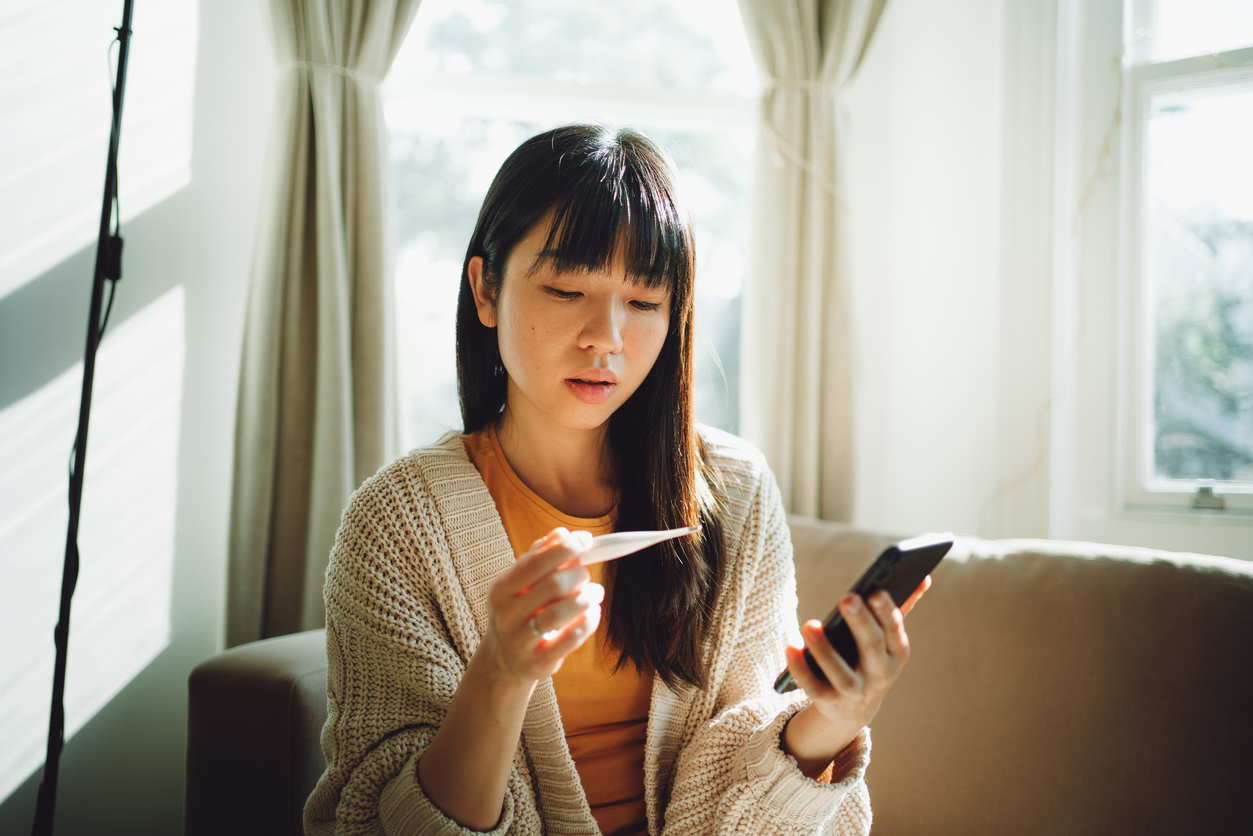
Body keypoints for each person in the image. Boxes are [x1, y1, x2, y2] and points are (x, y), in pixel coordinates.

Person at [304, 125, 921, 836]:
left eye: (644, 302)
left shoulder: (735, 491)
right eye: (566, 288)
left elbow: (750, 795)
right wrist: (500, 672)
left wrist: (831, 721)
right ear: (485, 290)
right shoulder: (396, 523)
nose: (607, 337)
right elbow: (382, 820)